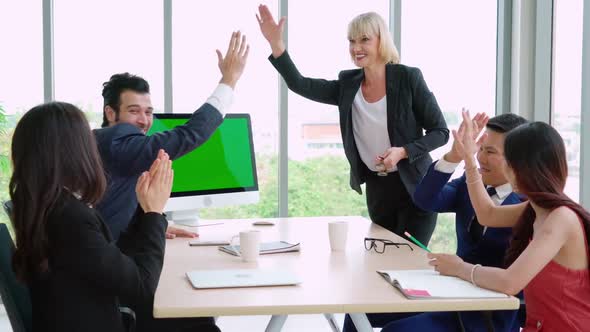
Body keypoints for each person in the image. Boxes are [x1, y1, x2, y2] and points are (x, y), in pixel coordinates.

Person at [256, 5, 449, 245]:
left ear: (381, 41)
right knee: (380, 264)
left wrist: (403, 151)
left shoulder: (408, 78)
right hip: (379, 190)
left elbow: (440, 132)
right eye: (351, 41)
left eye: (364, 40)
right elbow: (300, 84)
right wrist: (276, 44)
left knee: (409, 265)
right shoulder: (347, 85)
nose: (356, 48)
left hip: (415, 188)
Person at [9, 102, 198, 332]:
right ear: (75, 150)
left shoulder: (45, 208)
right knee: (198, 321)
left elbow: (108, 258)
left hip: (79, 315)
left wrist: (145, 216)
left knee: (196, 319)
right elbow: (141, 285)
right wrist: (154, 212)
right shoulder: (70, 218)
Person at [347, 113, 527, 332]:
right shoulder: (468, 186)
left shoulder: (528, 207)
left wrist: (462, 270)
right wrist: (453, 156)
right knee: (357, 310)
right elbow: (424, 199)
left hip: (486, 314)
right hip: (450, 292)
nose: (480, 157)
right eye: (480, 148)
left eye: (490, 152)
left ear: (517, 159)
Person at [428, 113, 590, 331]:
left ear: (528, 168)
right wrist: (468, 159)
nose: (506, 171)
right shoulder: (535, 209)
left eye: (510, 164)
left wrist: (460, 268)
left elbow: (510, 282)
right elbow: (487, 214)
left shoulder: (560, 218)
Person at [95, 31, 249, 241]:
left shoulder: (107, 146)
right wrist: (229, 80)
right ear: (110, 113)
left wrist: (152, 225)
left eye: (148, 112)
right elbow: (192, 133)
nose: (144, 120)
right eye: (133, 111)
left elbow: (115, 204)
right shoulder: (116, 141)